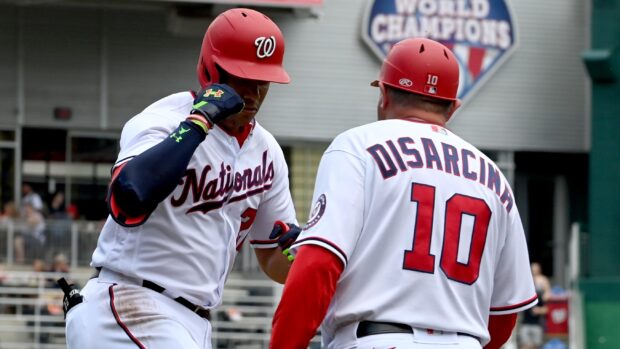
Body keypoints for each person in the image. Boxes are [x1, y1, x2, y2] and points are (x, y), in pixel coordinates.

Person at [270, 38, 538, 349]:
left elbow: (319, 265)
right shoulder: (494, 176)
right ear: (453, 107)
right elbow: (504, 314)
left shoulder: (357, 146)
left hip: (377, 340)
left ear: (383, 94)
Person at [64, 8, 297, 349]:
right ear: (211, 69)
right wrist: (197, 123)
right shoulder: (162, 122)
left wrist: (306, 252)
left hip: (193, 321)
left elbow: (274, 260)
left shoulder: (267, 152)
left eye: (264, 79)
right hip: (131, 300)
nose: (254, 91)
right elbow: (127, 200)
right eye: (242, 77)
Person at [519, 262, 551, 349]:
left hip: (537, 323)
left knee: (536, 346)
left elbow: (547, 303)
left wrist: (539, 310)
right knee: (525, 345)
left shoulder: (542, 282)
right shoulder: (525, 281)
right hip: (525, 322)